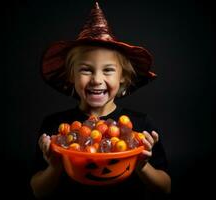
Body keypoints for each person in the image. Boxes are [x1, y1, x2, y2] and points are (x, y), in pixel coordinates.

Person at [30, 2, 171, 199]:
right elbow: (38, 191)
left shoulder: (141, 127)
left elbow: (164, 188)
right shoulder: (55, 126)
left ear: (123, 76)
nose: (97, 79)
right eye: (86, 69)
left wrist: (142, 165)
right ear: (71, 75)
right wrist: (55, 167)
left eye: (108, 70)